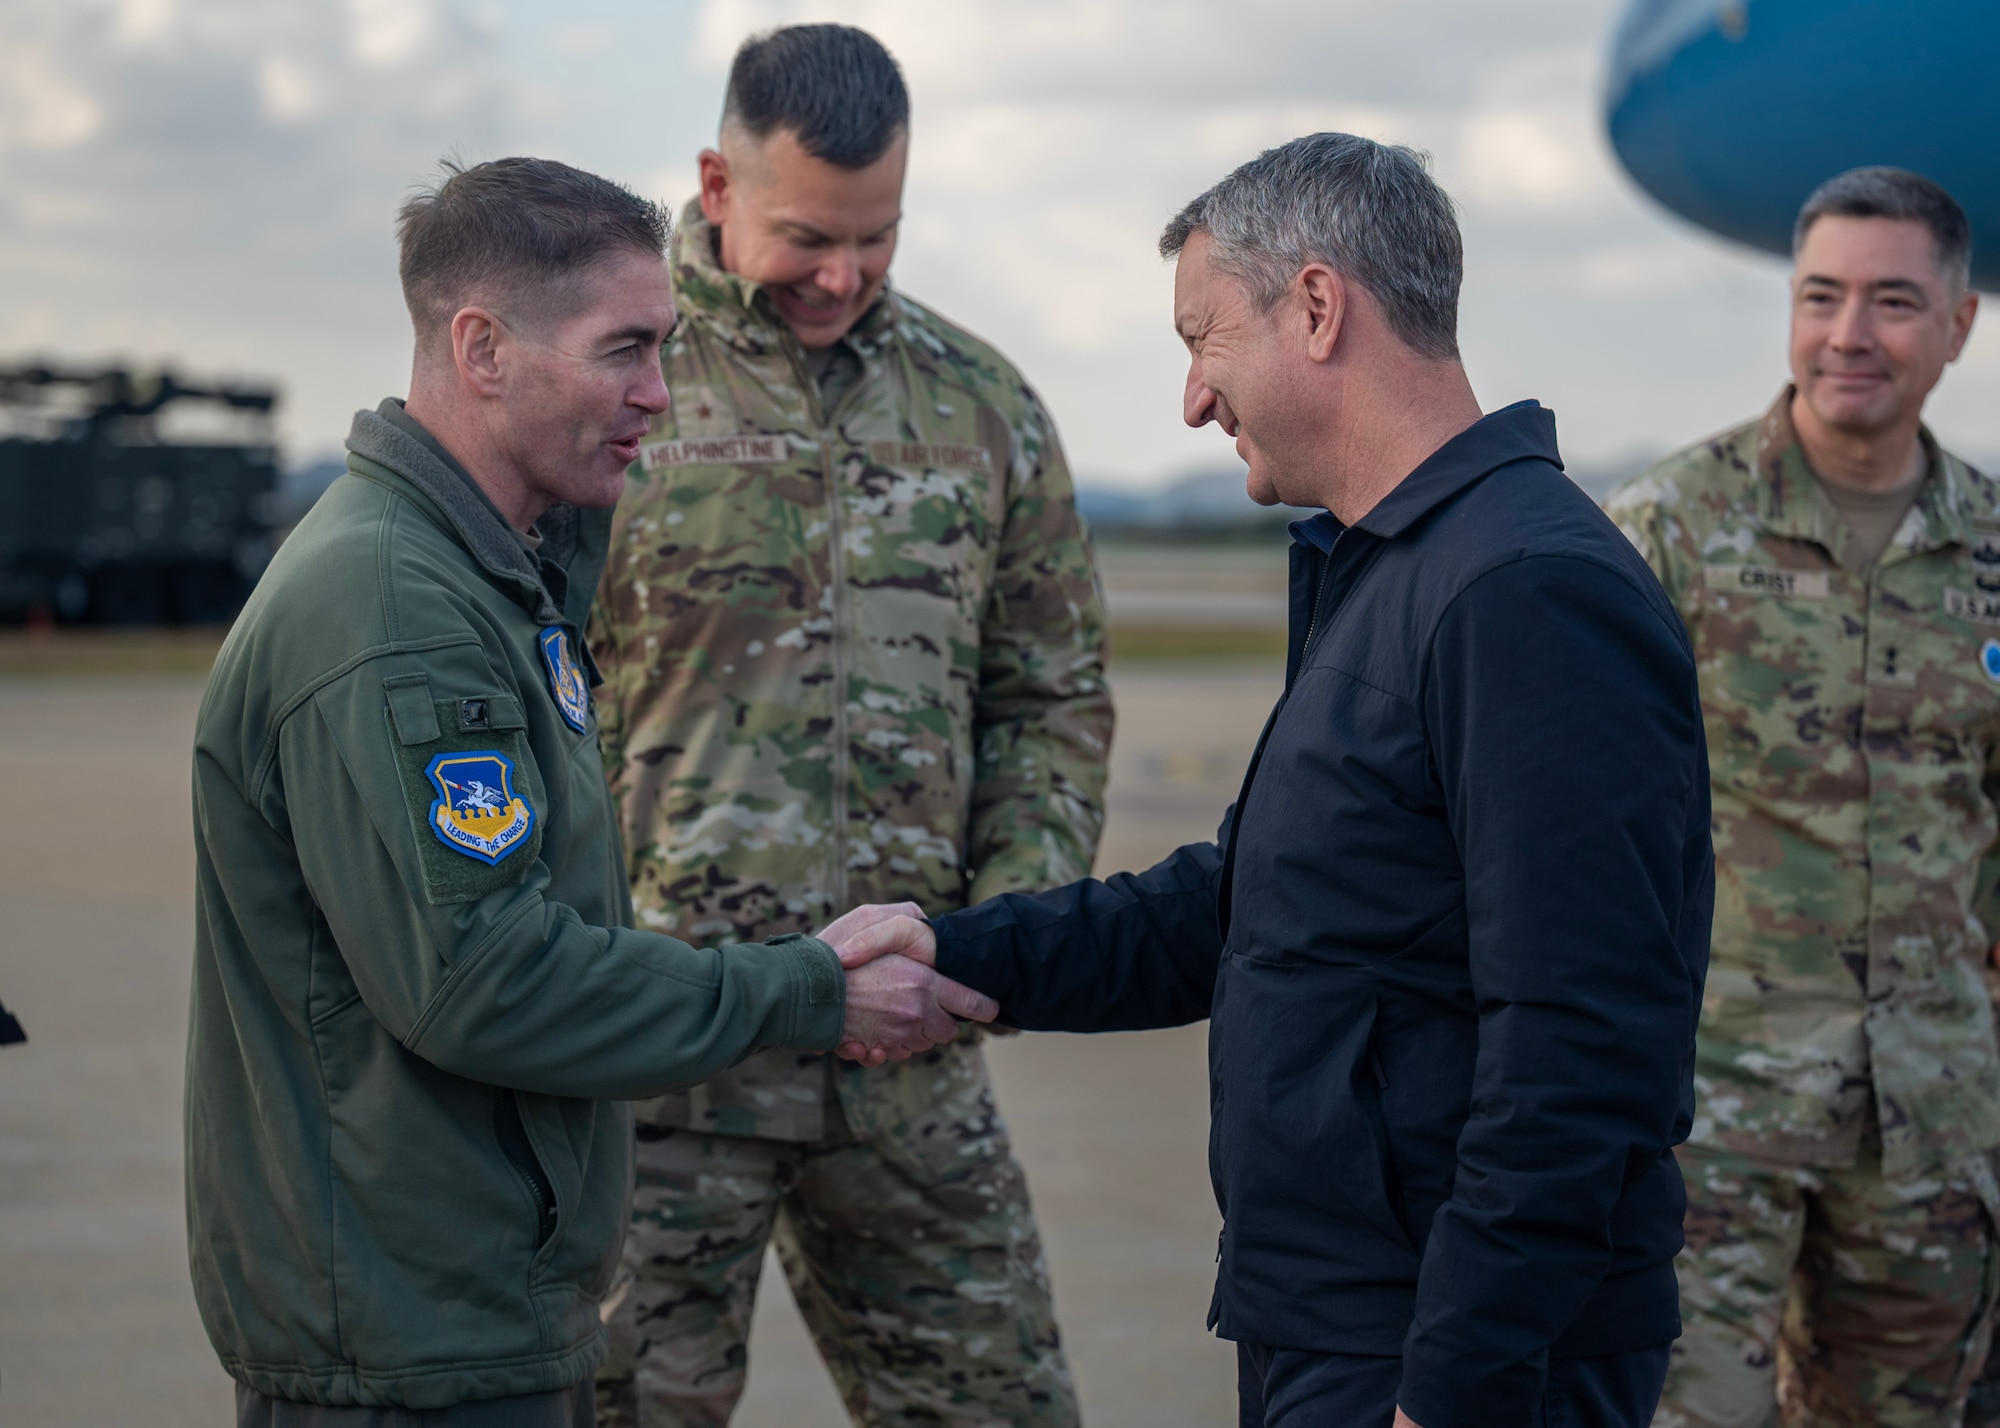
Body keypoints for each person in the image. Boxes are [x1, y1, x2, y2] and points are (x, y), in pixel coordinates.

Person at [823, 132, 1713, 1428]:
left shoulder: (1525, 591)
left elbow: (1582, 1051)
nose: (1192, 399)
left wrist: (1454, 1390)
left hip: (1445, 1356)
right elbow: (1250, 907)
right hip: (1340, 1323)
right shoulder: (1398, 574)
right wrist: (964, 954)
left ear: (1314, 306)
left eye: (1202, 339)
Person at [185, 156, 994, 1427]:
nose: (658, 396)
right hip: (411, 1352)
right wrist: (802, 990)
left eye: (664, 349)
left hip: (466, 1314)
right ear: (483, 349)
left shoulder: (490, 578)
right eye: (624, 351)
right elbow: (485, 980)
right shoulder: (397, 611)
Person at [587, 24, 1108, 1427]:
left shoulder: (982, 403)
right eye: (811, 235)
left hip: (909, 1074)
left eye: (878, 237)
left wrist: (1003, 940)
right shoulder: (614, 393)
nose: (845, 274)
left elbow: (1050, 697)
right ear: (715, 180)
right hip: (656, 1079)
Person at [1605, 167, 1999, 1428]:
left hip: (1930, 1126)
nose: (1847, 335)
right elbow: (1574, 812)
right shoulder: (1667, 532)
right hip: (1708, 1112)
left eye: (1891, 301)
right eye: (1820, 296)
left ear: (1958, 326)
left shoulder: (1992, 552)